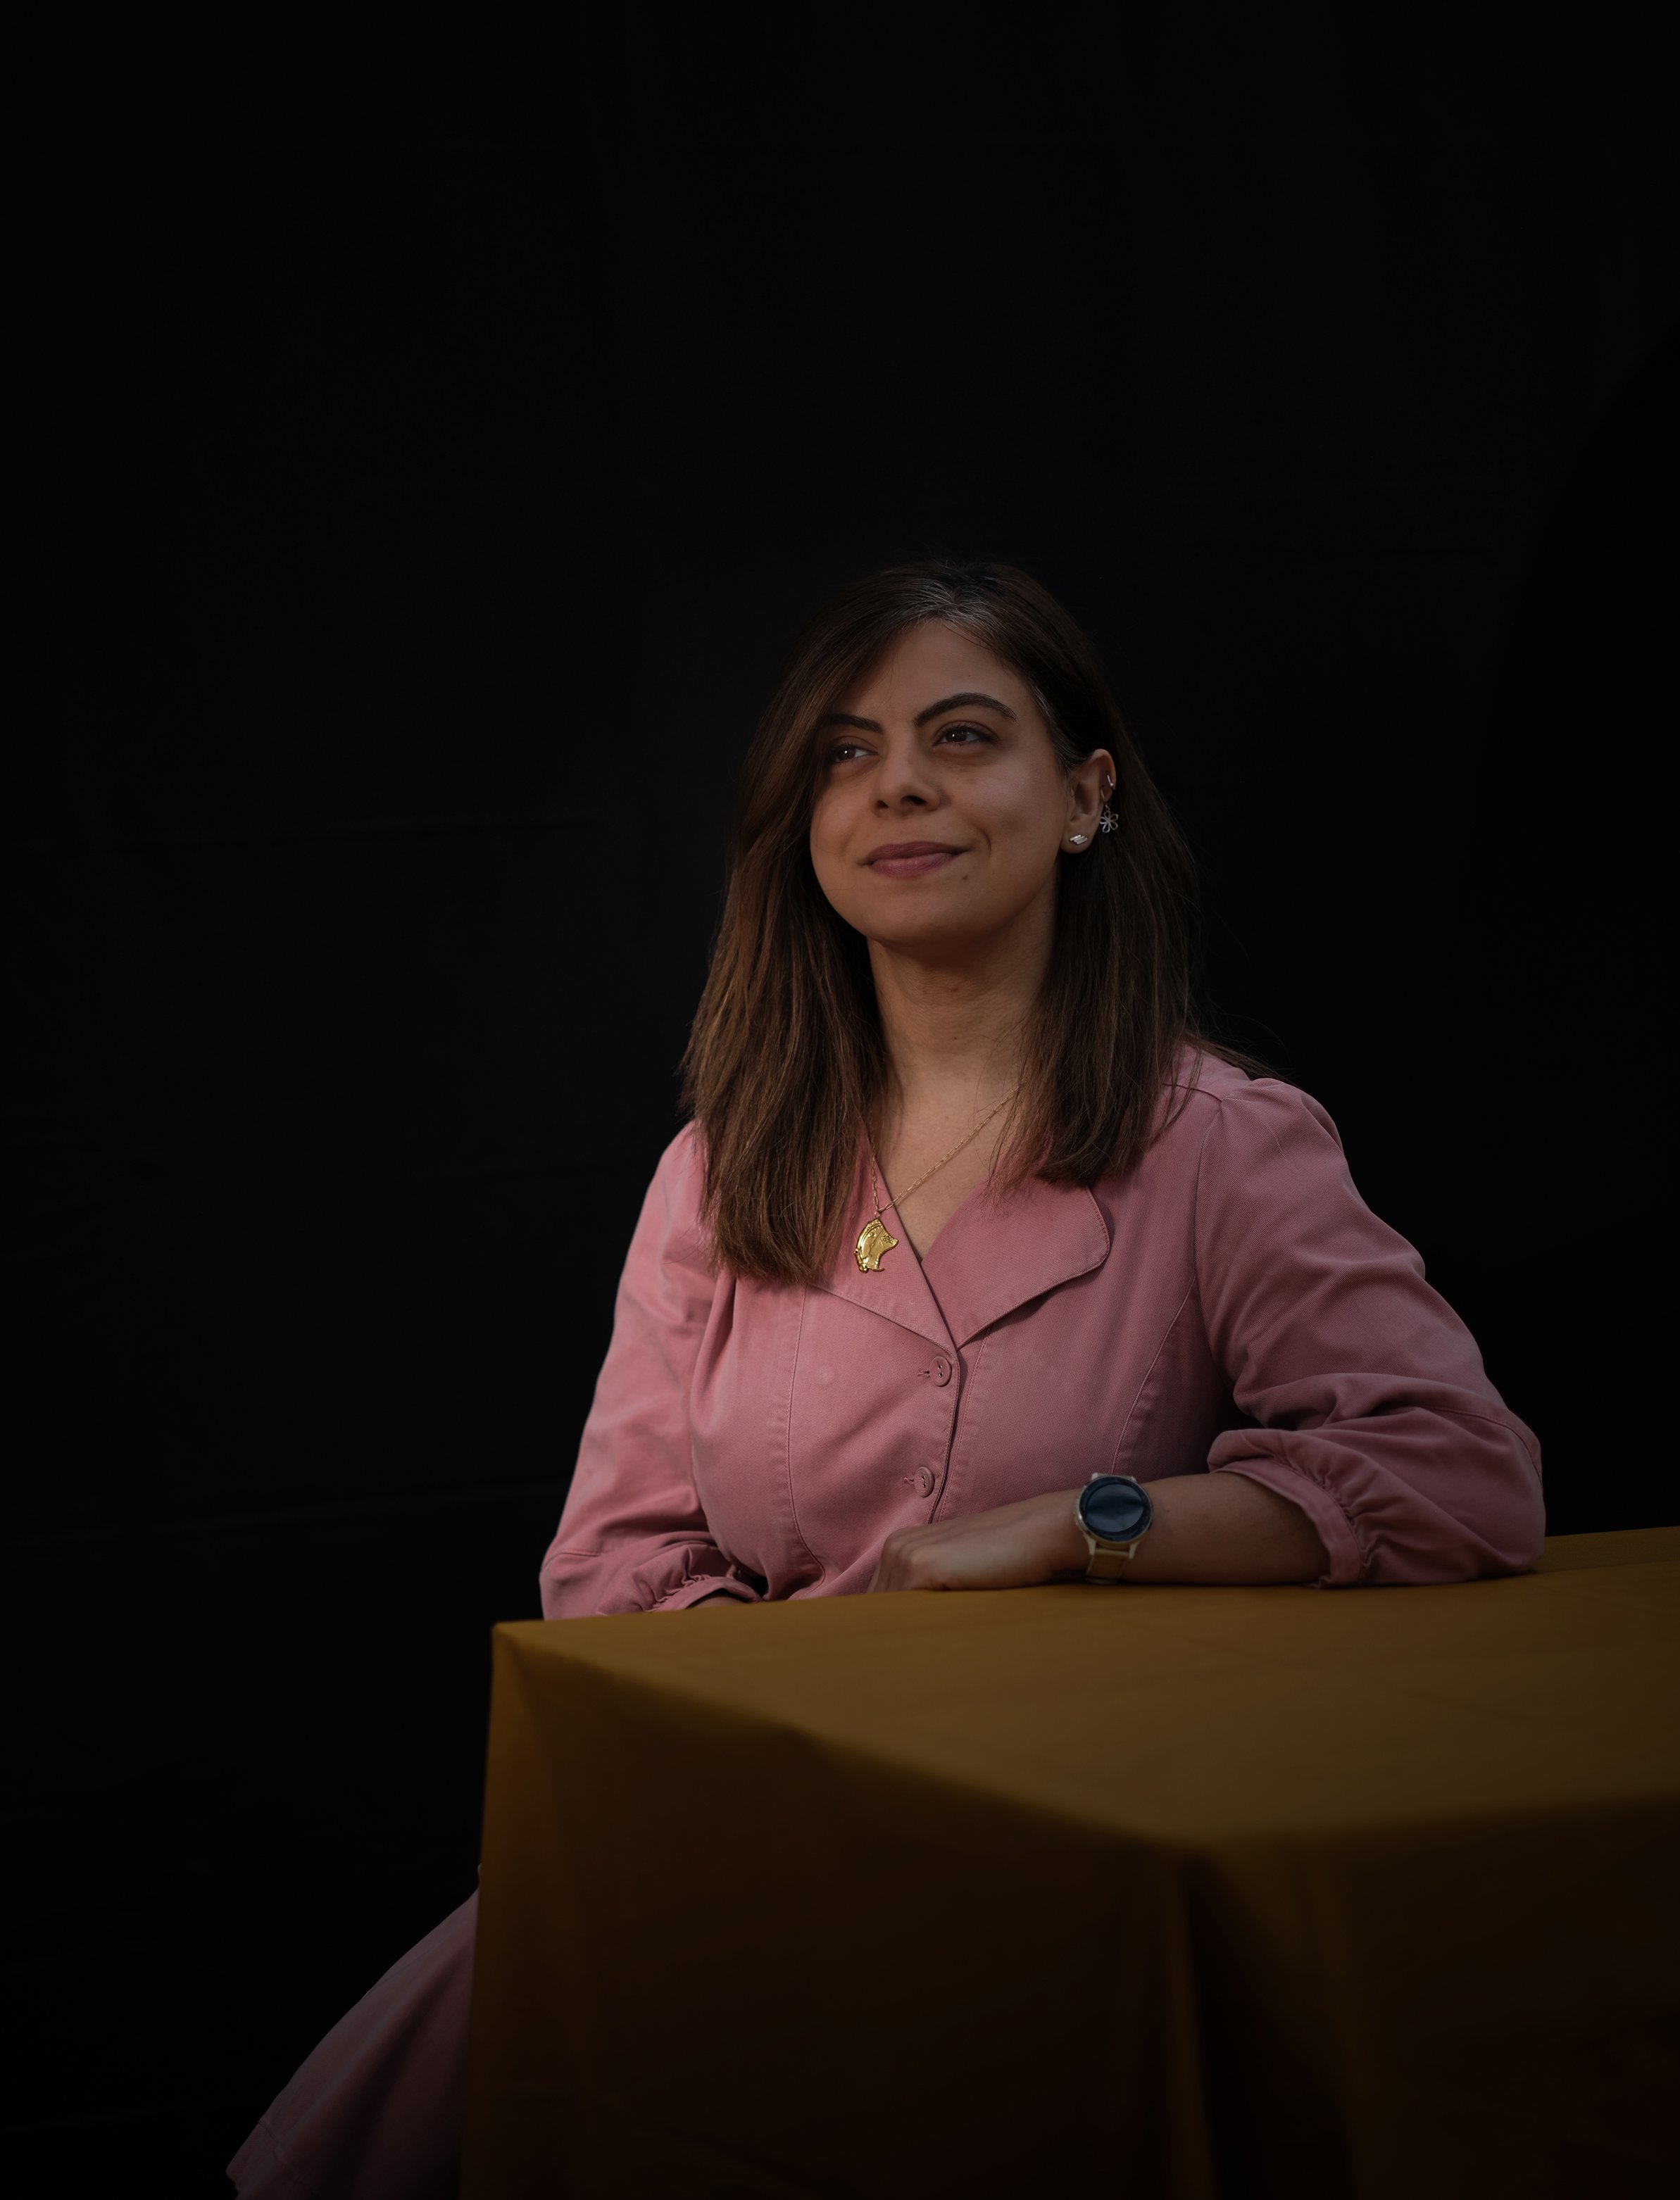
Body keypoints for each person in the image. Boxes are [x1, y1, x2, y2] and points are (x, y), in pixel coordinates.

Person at [230, 559, 1543, 2196]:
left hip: (1075, 1872)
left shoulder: (1218, 1143)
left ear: (1083, 798)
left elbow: (1456, 1475)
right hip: (753, 1842)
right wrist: (807, 1749)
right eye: (842, 753)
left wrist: (1085, 1523)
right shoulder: (716, 1175)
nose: (895, 785)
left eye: (960, 735)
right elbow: (613, 1565)